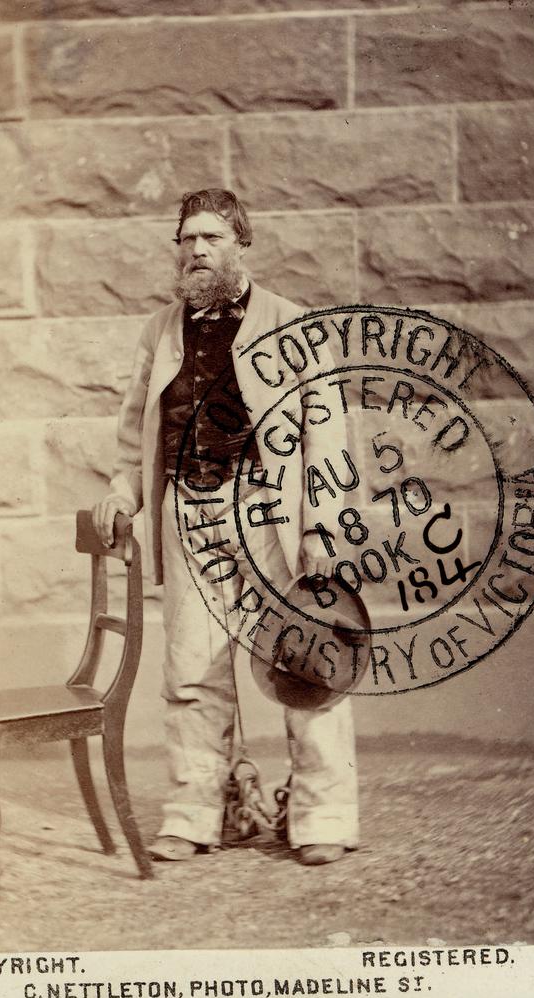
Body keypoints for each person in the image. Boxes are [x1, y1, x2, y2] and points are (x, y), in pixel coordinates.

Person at [92, 189, 358, 865]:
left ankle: (322, 816)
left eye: (211, 237)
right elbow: (134, 434)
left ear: (243, 243)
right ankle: (197, 811)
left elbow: (329, 440)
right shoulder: (159, 331)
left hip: (273, 512)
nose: (197, 250)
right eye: (186, 239)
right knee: (189, 671)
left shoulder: (294, 326)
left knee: (308, 659)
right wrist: (123, 489)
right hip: (190, 512)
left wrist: (321, 529)